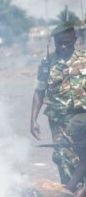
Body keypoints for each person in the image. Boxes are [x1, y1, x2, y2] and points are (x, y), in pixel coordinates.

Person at [30, 21, 86, 185]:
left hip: (82, 119)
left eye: (66, 43)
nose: (62, 47)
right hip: (59, 119)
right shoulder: (47, 63)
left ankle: (80, 192)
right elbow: (39, 91)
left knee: (82, 154)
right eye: (59, 43)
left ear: (75, 39)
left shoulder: (84, 59)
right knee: (62, 155)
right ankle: (70, 193)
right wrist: (33, 119)